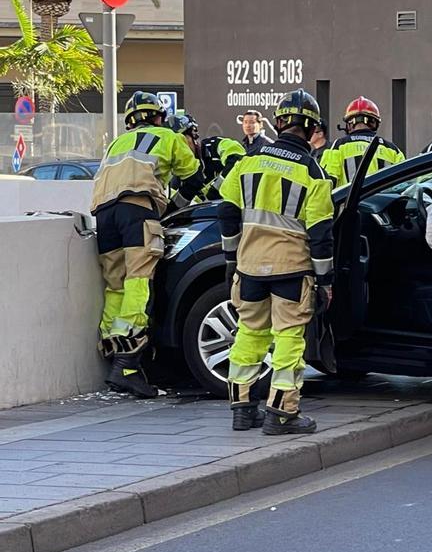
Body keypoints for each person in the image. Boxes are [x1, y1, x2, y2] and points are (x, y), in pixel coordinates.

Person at [218, 89, 334, 435]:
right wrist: (325, 281)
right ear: (311, 129)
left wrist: (231, 258)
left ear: (279, 123)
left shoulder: (248, 160)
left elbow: (226, 211)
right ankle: (282, 414)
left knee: (249, 334)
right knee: (288, 339)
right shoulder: (313, 171)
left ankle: (242, 410)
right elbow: (321, 234)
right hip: (291, 270)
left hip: (249, 267)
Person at [91, 91, 206, 397]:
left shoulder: (117, 143)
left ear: (130, 121)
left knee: (115, 286)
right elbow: (194, 177)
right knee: (139, 282)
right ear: (159, 117)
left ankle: (115, 358)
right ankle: (127, 366)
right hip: (137, 210)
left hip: (104, 216)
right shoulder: (168, 137)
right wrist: (173, 208)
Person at [320, 96, 406, 188]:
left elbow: (326, 182)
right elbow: (404, 184)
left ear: (349, 124)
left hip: (349, 198)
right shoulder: (392, 150)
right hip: (384, 198)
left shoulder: (339, 146)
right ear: (375, 123)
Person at [197, 134, 246, 201]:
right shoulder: (183, 169)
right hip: (213, 206)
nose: (184, 152)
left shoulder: (217, 144)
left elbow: (237, 159)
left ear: (193, 133)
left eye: (184, 143)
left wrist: (214, 189)